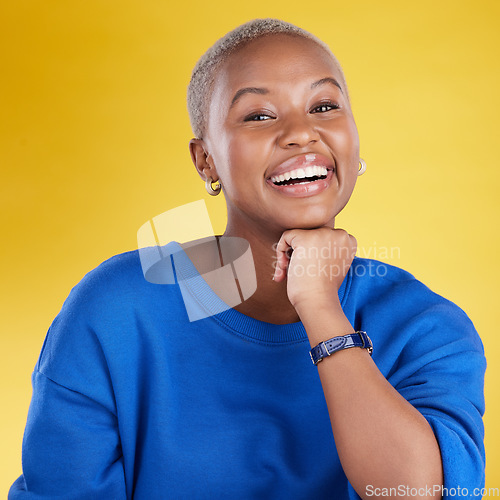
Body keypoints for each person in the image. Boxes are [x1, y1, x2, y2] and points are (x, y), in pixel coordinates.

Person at [10, 18, 485, 499]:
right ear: (206, 161)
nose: (302, 133)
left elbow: (416, 493)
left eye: (324, 106)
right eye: (259, 116)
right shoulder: (114, 314)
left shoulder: (426, 327)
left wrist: (319, 307)